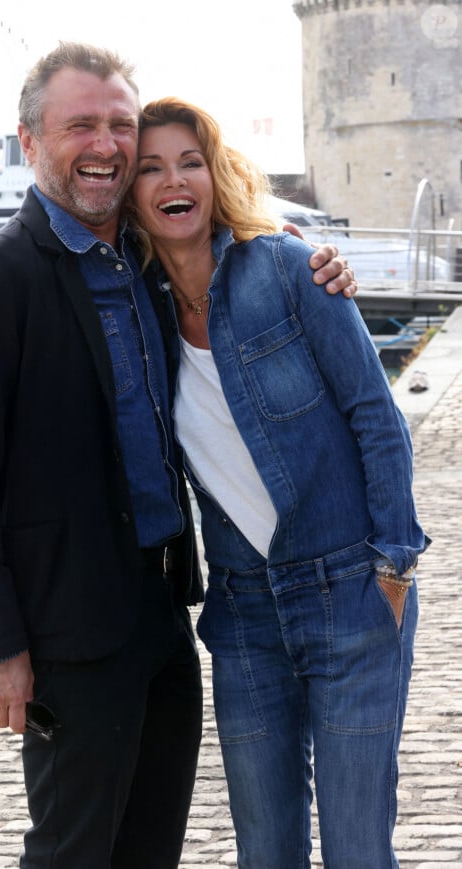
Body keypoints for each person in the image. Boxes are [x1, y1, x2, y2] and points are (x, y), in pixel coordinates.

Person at [0, 43, 357, 869]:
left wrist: (308, 258)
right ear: (28, 141)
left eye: (120, 124)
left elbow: (226, 251)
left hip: (164, 614)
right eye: (80, 123)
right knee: (73, 851)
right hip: (70, 629)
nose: (107, 144)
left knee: (149, 848)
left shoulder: (145, 261)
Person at [129, 97, 430, 869]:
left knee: (359, 847)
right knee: (266, 851)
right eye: (152, 166)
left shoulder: (289, 269)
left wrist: (393, 564)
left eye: (190, 160)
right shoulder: (139, 316)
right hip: (244, 613)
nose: (175, 179)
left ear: (214, 170)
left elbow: (375, 415)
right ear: (132, 192)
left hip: (351, 594)